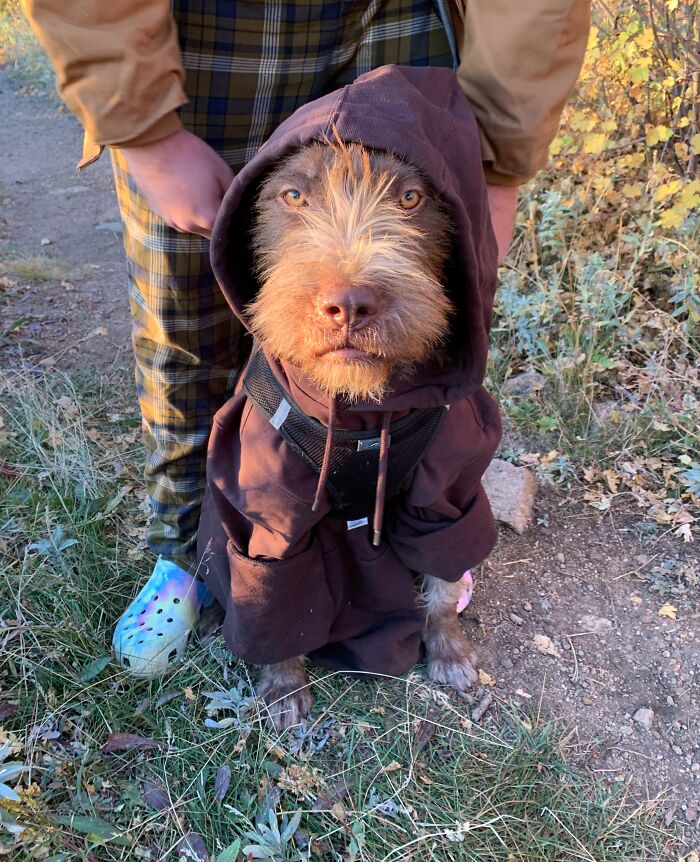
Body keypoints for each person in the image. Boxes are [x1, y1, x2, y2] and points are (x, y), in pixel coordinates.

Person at [25, 0, 591, 677]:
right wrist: (139, 122)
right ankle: (187, 548)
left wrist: (500, 156)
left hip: (420, 10)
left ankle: (411, 549)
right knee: (187, 319)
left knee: (421, 341)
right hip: (204, 28)